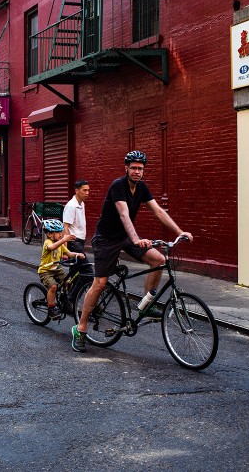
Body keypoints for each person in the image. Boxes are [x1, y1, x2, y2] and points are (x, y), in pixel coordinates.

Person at [71, 150, 193, 353]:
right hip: (106, 239)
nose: (137, 171)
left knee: (159, 260)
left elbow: (159, 211)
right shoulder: (118, 185)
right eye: (134, 168)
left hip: (125, 237)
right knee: (100, 283)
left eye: (141, 168)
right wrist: (136, 239)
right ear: (126, 168)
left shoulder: (142, 187)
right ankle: (81, 328)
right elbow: (124, 214)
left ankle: (146, 303)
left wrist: (180, 232)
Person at [38, 219, 85, 319]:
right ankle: (51, 308)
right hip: (46, 271)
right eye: (58, 232)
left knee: (69, 282)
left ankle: (64, 300)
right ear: (50, 234)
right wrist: (64, 240)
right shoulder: (48, 242)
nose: (61, 234)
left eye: (61, 232)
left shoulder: (60, 244)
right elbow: (51, 248)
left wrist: (78, 254)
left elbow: (68, 253)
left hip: (57, 269)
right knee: (53, 287)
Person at [63, 179, 90, 262]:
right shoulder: (71, 206)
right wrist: (65, 251)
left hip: (81, 240)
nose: (87, 193)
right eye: (84, 190)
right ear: (77, 191)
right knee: (86, 267)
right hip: (74, 242)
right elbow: (65, 228)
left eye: (88, 190)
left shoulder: (82, 203)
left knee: (76, 268)